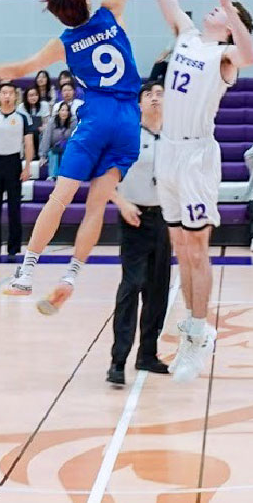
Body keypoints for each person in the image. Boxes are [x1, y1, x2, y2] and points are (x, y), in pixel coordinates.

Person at [0, 0, 160, 314]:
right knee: (97, 205)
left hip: (94, 120)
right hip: (128, 120)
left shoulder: (64, 43)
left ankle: (26, 272)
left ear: (60, 13)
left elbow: (22, 68)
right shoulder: (110, 10)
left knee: (59, 199)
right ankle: (72, 273)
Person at [142, 0, 253, 372]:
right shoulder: (186, 35)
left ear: (229, 23)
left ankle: (197, 331)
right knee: (180, 247)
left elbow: (251, 54)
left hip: (196, 157)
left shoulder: (227, 55)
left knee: (197, 250)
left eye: (226, 13)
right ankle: (194, 327)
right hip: (167, 149)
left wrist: (230, 2)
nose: (216, 10)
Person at [108, 61, 174, 388]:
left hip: (164, 220)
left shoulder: (175, 137)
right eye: (149, 94)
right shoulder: (127, 134)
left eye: (161, 93)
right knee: (131, 286)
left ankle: (148, 353)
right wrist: (121, 202)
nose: (155, 98)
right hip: (133, 220)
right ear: (140, 101)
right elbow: (102, 178)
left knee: (158, 290)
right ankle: (118, 359)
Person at [0, 84, 34, 263]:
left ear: (15, 96)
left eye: (10, 93)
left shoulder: (22, 118)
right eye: (4, 93)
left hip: (13, 163)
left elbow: (29, 144)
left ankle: (13, 249)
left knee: (14, 208)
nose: (7, 96)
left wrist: (27, 168)